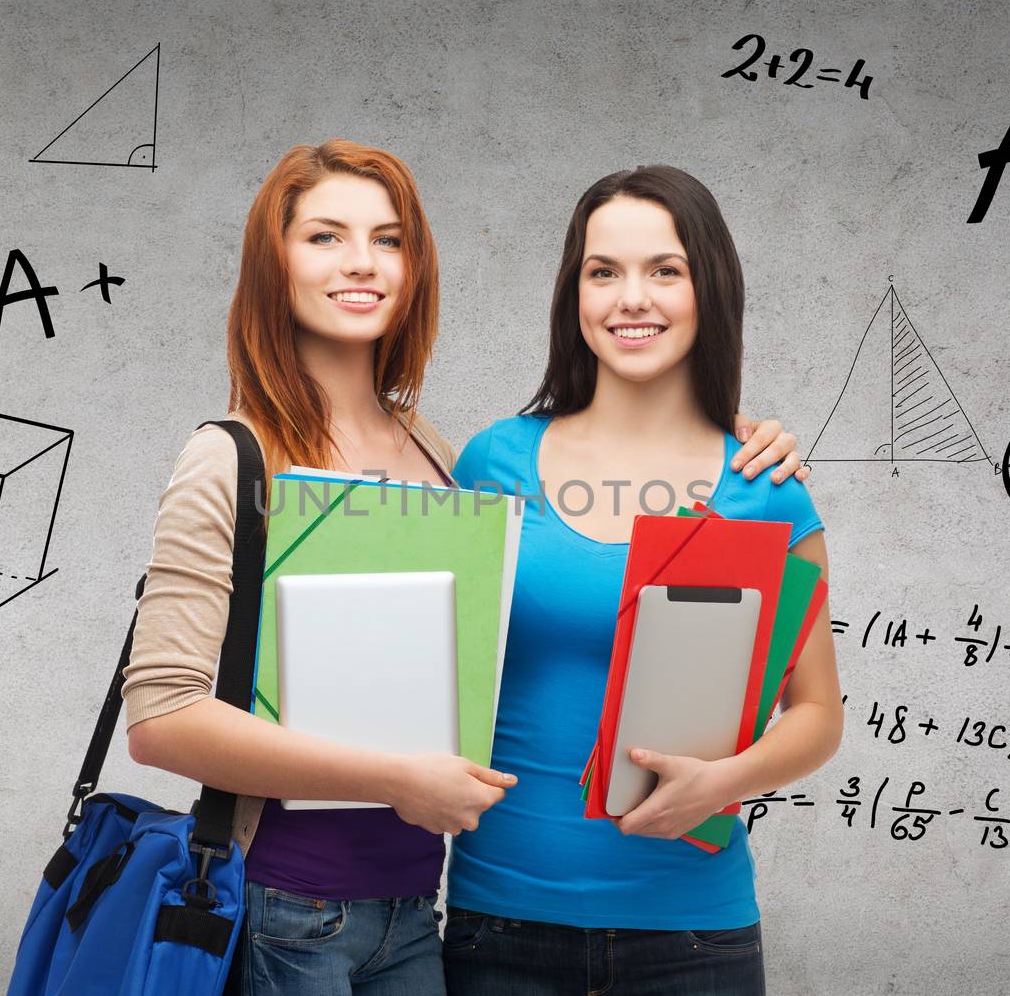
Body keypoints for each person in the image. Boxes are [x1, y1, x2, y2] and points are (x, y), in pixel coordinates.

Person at [121, 141, 809, 994]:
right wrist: (395, 778)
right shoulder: (233, 457)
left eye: (390, 239)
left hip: (414, 917)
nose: (361, 264)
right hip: (281, 906)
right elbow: (160, 720)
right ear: (275, 265)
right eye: (325, 237)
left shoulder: (445, 463)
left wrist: (716, 431)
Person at [442, 165, 843, 996]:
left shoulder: (767, 487)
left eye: (665, 270)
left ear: (711, 289)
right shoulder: (491, 463)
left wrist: (726, 781)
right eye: (603, 272)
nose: (632, 298)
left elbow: (818, 715)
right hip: (499, 926)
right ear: (573, 294)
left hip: (693, 936)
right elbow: (434, 675)